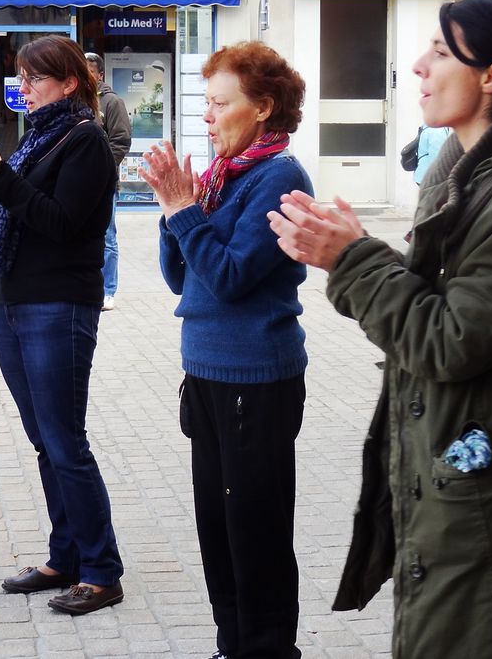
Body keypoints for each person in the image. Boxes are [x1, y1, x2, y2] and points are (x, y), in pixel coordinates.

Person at [268, 0, 492, 658]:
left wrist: (352, 259)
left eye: (442, 52)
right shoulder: (469, 176)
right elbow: (448, 306)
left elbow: (449, 340)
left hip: (491, 501)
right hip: (464, 481)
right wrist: (357, 251)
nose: (419, 66)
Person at [139, 40, 313, 659]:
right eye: (205, 102)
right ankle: (231, 644)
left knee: (255, 533)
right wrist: (172, 211)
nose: (207, 115)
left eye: (221, 103)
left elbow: (233, 276)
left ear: (263, 107)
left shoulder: (280, 178)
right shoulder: (220, 178)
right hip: (207, 373)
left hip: (255, 380)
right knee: (217, 529)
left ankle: (267, 649)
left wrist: (184, 211)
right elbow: (185, 278)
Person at [0, 34, 124, 616]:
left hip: (59, 303)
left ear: (70, 82)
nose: (24, 89)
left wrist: (2, 176)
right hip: (14, 298)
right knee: (44, 441)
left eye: (34, 79)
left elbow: (60, 223)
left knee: (65, 442)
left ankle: (101, 570)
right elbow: (3, 216)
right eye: (19, 79)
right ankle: (65, 554)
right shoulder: (38, 138)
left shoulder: (86, 140)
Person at [85, 52, 131, 311]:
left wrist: (100, 169)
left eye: (89, 72)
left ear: (100, 75)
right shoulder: (76, 100)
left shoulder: (112, 102)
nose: (84, 77)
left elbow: (121, 140)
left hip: (103, 182)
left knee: (107, 236)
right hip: (79, 183)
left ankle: (108, 291)